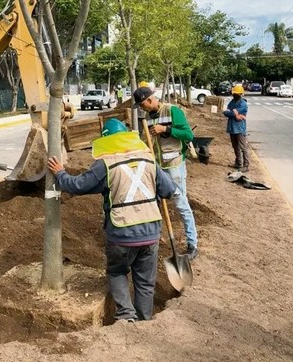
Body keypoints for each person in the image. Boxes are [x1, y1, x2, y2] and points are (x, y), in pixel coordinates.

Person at [47, 118, 176, 323]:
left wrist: (60, 174)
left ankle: (126, 316)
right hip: (151, 232)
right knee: (145, 281)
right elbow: (169, 190)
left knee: (117, 272)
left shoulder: (105, 164)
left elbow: (78, 186)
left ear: (106, 140)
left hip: (121, 233)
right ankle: (144, 319)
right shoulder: (148, 159)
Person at [133, 86, 199, 260]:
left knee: (180, 203)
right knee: (154, 204)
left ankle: (193, 244)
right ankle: (153, 239)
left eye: (142, 105)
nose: (142, 109)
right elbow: (145, 142)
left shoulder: (172, 111)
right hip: (156, 168)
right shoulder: (147, 118)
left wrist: (166, 130)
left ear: (149, 100)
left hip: (174, 166)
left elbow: (188, 135)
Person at [223, 84, 249, 172]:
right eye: (234, 94)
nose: (234, 95)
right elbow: (226, 112)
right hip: (232, 127)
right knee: (235, 146)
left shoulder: (243, 104)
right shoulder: (232, 102)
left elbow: (232, 112)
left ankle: (246, 165)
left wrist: (233, 112)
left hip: (239, 128)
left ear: (240, 94)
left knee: (243, 146)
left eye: (236, 94)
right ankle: (238, 163)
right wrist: (234, 114)